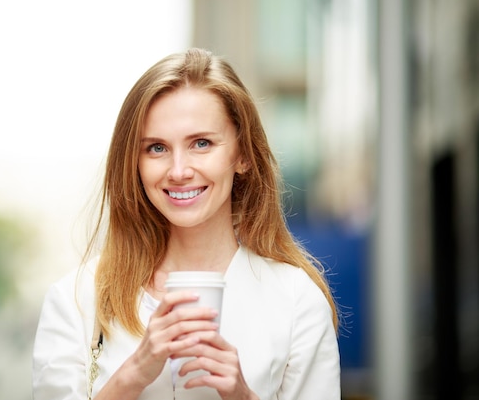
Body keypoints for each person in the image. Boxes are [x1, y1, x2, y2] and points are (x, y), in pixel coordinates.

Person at [32, 48, 340, 400]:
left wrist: (242, 395)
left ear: (242, 155)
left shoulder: (296, 300)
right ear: (134, 162)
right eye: (157, 148)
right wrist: (133, 374)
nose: (178, 171)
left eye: (201, 143)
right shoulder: (76, 299)